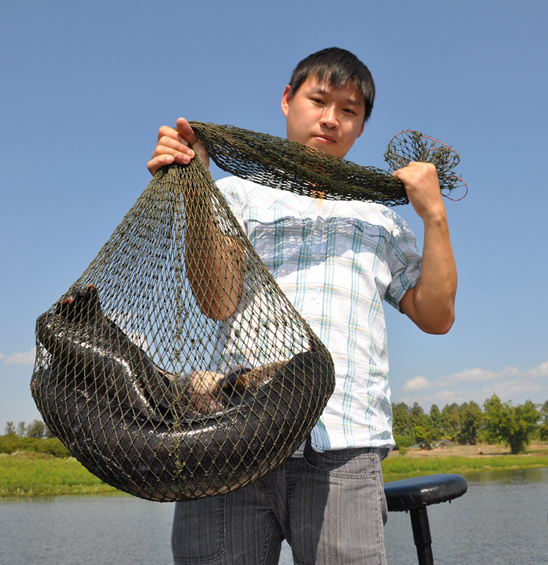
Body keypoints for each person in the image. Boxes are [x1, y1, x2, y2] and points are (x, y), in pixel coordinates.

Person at [147, 47, 457, 565]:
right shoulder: (237, 195)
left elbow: (436, 316)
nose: (331, 118)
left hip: (342, 438)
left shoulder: (379, 217)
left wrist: (434, 217)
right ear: (288, 101)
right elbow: (218, 301)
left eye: (350, 110)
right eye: (318, 100)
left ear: (361, 128)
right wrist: (196, 184)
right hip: (232, 438)